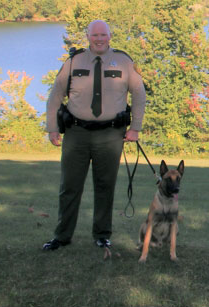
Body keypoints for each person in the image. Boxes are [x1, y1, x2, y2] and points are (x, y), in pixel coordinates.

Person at [42, 20, 146, 251]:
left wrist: (135, 127)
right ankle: (62, 236)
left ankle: (101, 235)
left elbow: (139, 94)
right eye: (95, 35)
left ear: (110, 36)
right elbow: (56, 95)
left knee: (105, 185)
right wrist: (52, 127)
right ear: (88, 36)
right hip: (76, 134)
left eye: (103, 35)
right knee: (69, 186)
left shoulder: (124, 61)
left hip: (110, 135)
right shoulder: (73, 61)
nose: (99, 39)